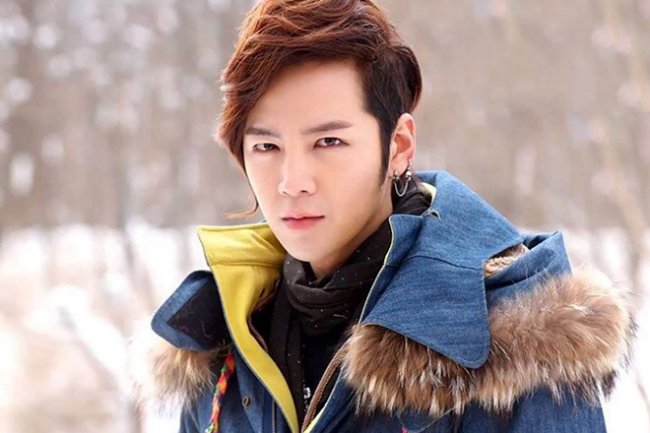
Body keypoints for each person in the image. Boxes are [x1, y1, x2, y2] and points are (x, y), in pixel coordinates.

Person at [133, 1, 635, 432]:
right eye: (267, 146)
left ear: (398, 145)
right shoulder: (220, 341)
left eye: (328, 141)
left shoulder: (512, 336)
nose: (292, 181)